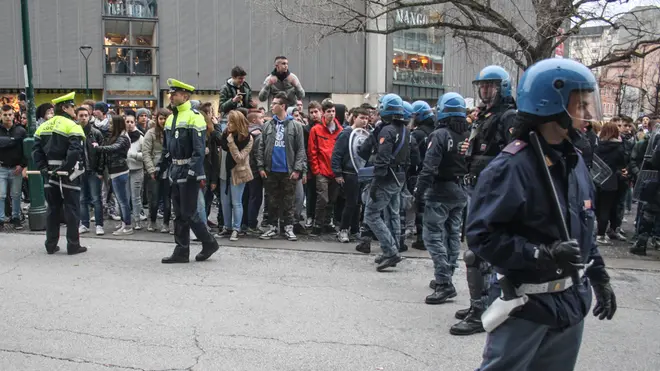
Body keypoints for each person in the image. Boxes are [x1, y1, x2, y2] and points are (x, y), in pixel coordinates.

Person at [469, 58, 616, 369]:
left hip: (571, 304)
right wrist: (540, 253)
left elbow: (584, 228)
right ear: (555, 105)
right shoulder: (511, 168)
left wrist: (599, 277)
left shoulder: (574, 161)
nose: (588, 114)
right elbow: (482, 237)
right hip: (527, 306)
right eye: (581, 104)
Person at [451, 65, 517, 336]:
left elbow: (512, 156)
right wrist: (469, 152)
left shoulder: (508, 116)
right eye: (483, 85)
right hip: (478, 190)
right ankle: (482, 303)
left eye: (491, 85)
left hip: (494, 194)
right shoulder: (484, 116)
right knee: (477, 253)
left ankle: (481, 311)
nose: (485, 90)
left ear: (502, 87)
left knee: (477, 254)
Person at [413, 93, 470, 304]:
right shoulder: (467, 134)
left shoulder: (439, 135)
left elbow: (429, 167)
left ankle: (444, 282)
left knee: (433, 236)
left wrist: (419, 191)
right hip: (461, 189)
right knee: (453, 235)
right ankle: (447, 275)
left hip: (440, 192)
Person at [160, 79, 219, 264]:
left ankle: (209, 242)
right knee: (179, 213)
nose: (171, 96)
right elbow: (166, 147)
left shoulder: (195, 117)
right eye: (171, 93)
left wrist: (192, 171)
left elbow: (199, 149)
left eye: (174, 93)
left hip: (188, 170)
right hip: (175, 169)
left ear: (185, 96)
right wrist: (162, 166)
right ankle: (181, 250)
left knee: (189, 212)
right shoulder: (170, 118)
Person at [32, 92, 87, 255]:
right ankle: (73, 245)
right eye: (72, 107)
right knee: (72, 210)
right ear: (64, 107)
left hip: (49, 174)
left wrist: (43, 168)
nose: (74, 110)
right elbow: (75, 151)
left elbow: (36, 151)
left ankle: (50, 245)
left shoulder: (43, 126)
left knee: (53, 209)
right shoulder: (72, 126)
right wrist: (64, 168)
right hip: (69, 175)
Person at [361, 94, 410, 271]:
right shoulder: (404, 129)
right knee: (392, 214)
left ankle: (390, 252)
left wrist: (375, 183)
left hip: (386, 178)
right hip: (398, 177)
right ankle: (393, 247)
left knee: (371, 214)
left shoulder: (387, 131)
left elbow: (381, 159)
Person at [256, 92, 307, 241]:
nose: (271, 106)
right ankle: (272, 227)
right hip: (271, 170)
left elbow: (300, 150)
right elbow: (261, 147)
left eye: (274, 104)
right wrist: (261, 167)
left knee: (288, 201)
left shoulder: (296, 126)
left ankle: (288, 228)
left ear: (282, 106)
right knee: (272, 200)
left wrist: (298, 169)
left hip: (288, 170)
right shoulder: (267, 125)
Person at [332, 107, 370, 242]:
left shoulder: (366, 134)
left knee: (359, 203)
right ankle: (343, 230)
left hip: (361, 173)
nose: (365, 121)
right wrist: (337, 173)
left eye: (366, 118)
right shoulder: (346, 133)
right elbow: (336, 154)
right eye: (362, 117)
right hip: (348, 172)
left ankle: (354, 230)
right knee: (350, 202)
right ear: (354, 117)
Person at [94, 115, 134, 236]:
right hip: (115, 172)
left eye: (111, 124)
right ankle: (124, 223)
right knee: (120, 200)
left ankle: (127, 226)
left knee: (123, 201)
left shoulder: (123, 138)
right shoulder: (117, 136)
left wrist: (98, 148)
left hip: (120, 172)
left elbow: (114, 148)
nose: (109, 126)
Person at [308, 99, 343, 236]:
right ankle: (318, 224)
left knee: (332, 199)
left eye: (333, 111)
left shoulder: (340, 130)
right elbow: (312, 151)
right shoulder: (316, 130)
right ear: (323, 112)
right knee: (323, 198)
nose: (331, 114)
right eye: (329, 111)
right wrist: (316, 170)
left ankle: (327, 222)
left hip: (334, 171)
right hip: (322, 170)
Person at [218, 111, 254, 241]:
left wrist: (231, 142)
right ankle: (227, 227)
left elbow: (239, 158)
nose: (228, 124)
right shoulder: (225, 134)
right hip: (224, 171)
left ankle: (236, 229)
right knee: (224, 202)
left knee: (236, 202)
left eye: (231, 122)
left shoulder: (247, 138)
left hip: (238, 173)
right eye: (227, 121)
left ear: (238, 123)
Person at [76, 106, 106, 236]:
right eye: (81, 115)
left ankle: (99, 225)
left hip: (93, 170)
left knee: (96, 199)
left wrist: (100, 171)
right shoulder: (75, 133)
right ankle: (84, 224)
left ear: (89, 117)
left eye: (85, 115)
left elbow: (101, 153)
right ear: (77, 117)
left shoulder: (96, 133)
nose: (83, 118)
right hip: (80, 171)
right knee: (82, 199)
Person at [143, 108, 172, 233]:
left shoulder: (172, 132)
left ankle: (166, 223)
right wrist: (151, 170)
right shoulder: (151, 133)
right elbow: (146, 153)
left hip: (169, 170)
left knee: (167, 200)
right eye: (161, 118)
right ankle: (152, 220)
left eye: (165, 118)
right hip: (155, 169)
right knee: (153, 199)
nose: (163, 121)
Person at [0, 104, 27, 229]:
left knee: (16, 194)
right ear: (1, 115)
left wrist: (22, 165)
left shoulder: (21, 131)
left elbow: (25, 150)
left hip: (16, 168)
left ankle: (16, 218)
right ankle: (1, 219)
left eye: (10, 114)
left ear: (13, 115)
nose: (7, 117)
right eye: (5, 115)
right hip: (1, 167)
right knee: (1, 194)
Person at [243, 111, 264, 235]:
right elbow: (258, 154)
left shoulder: (244, 133)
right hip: (255, 170)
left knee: (246, 197)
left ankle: (245, 223)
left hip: (245, 170)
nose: (263, 120)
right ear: (254, 121)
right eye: (261, 118)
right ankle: (252, 224)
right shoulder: (258, 134)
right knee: (255, 198)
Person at [125, 113, 145, 230]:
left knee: (135, 197)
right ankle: (126, 221)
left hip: (136, 169)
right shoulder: (122, 136)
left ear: (135, 123)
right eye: (127, 122)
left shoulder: (140, 137)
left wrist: (133, 155)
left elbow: (146, 154)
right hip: (124, 169)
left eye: (132, 122)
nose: (130, 124)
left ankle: (137, 220)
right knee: (125, 197)